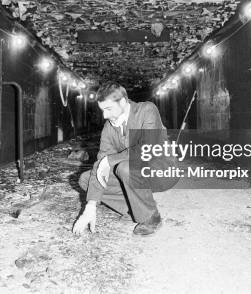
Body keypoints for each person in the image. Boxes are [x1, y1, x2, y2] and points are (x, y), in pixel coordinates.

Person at [73, 82, 177, 236]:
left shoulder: (146, 110)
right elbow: (101, 163)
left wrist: (110, 160)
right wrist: (90, 206)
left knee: (125, 167)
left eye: (108, 109)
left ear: (122, 102)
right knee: (86, 179)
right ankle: (133, 207)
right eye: (102, 110)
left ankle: (150, 217)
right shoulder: (109, 127)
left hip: (160, 171)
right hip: (133, 175)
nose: (105, 116)